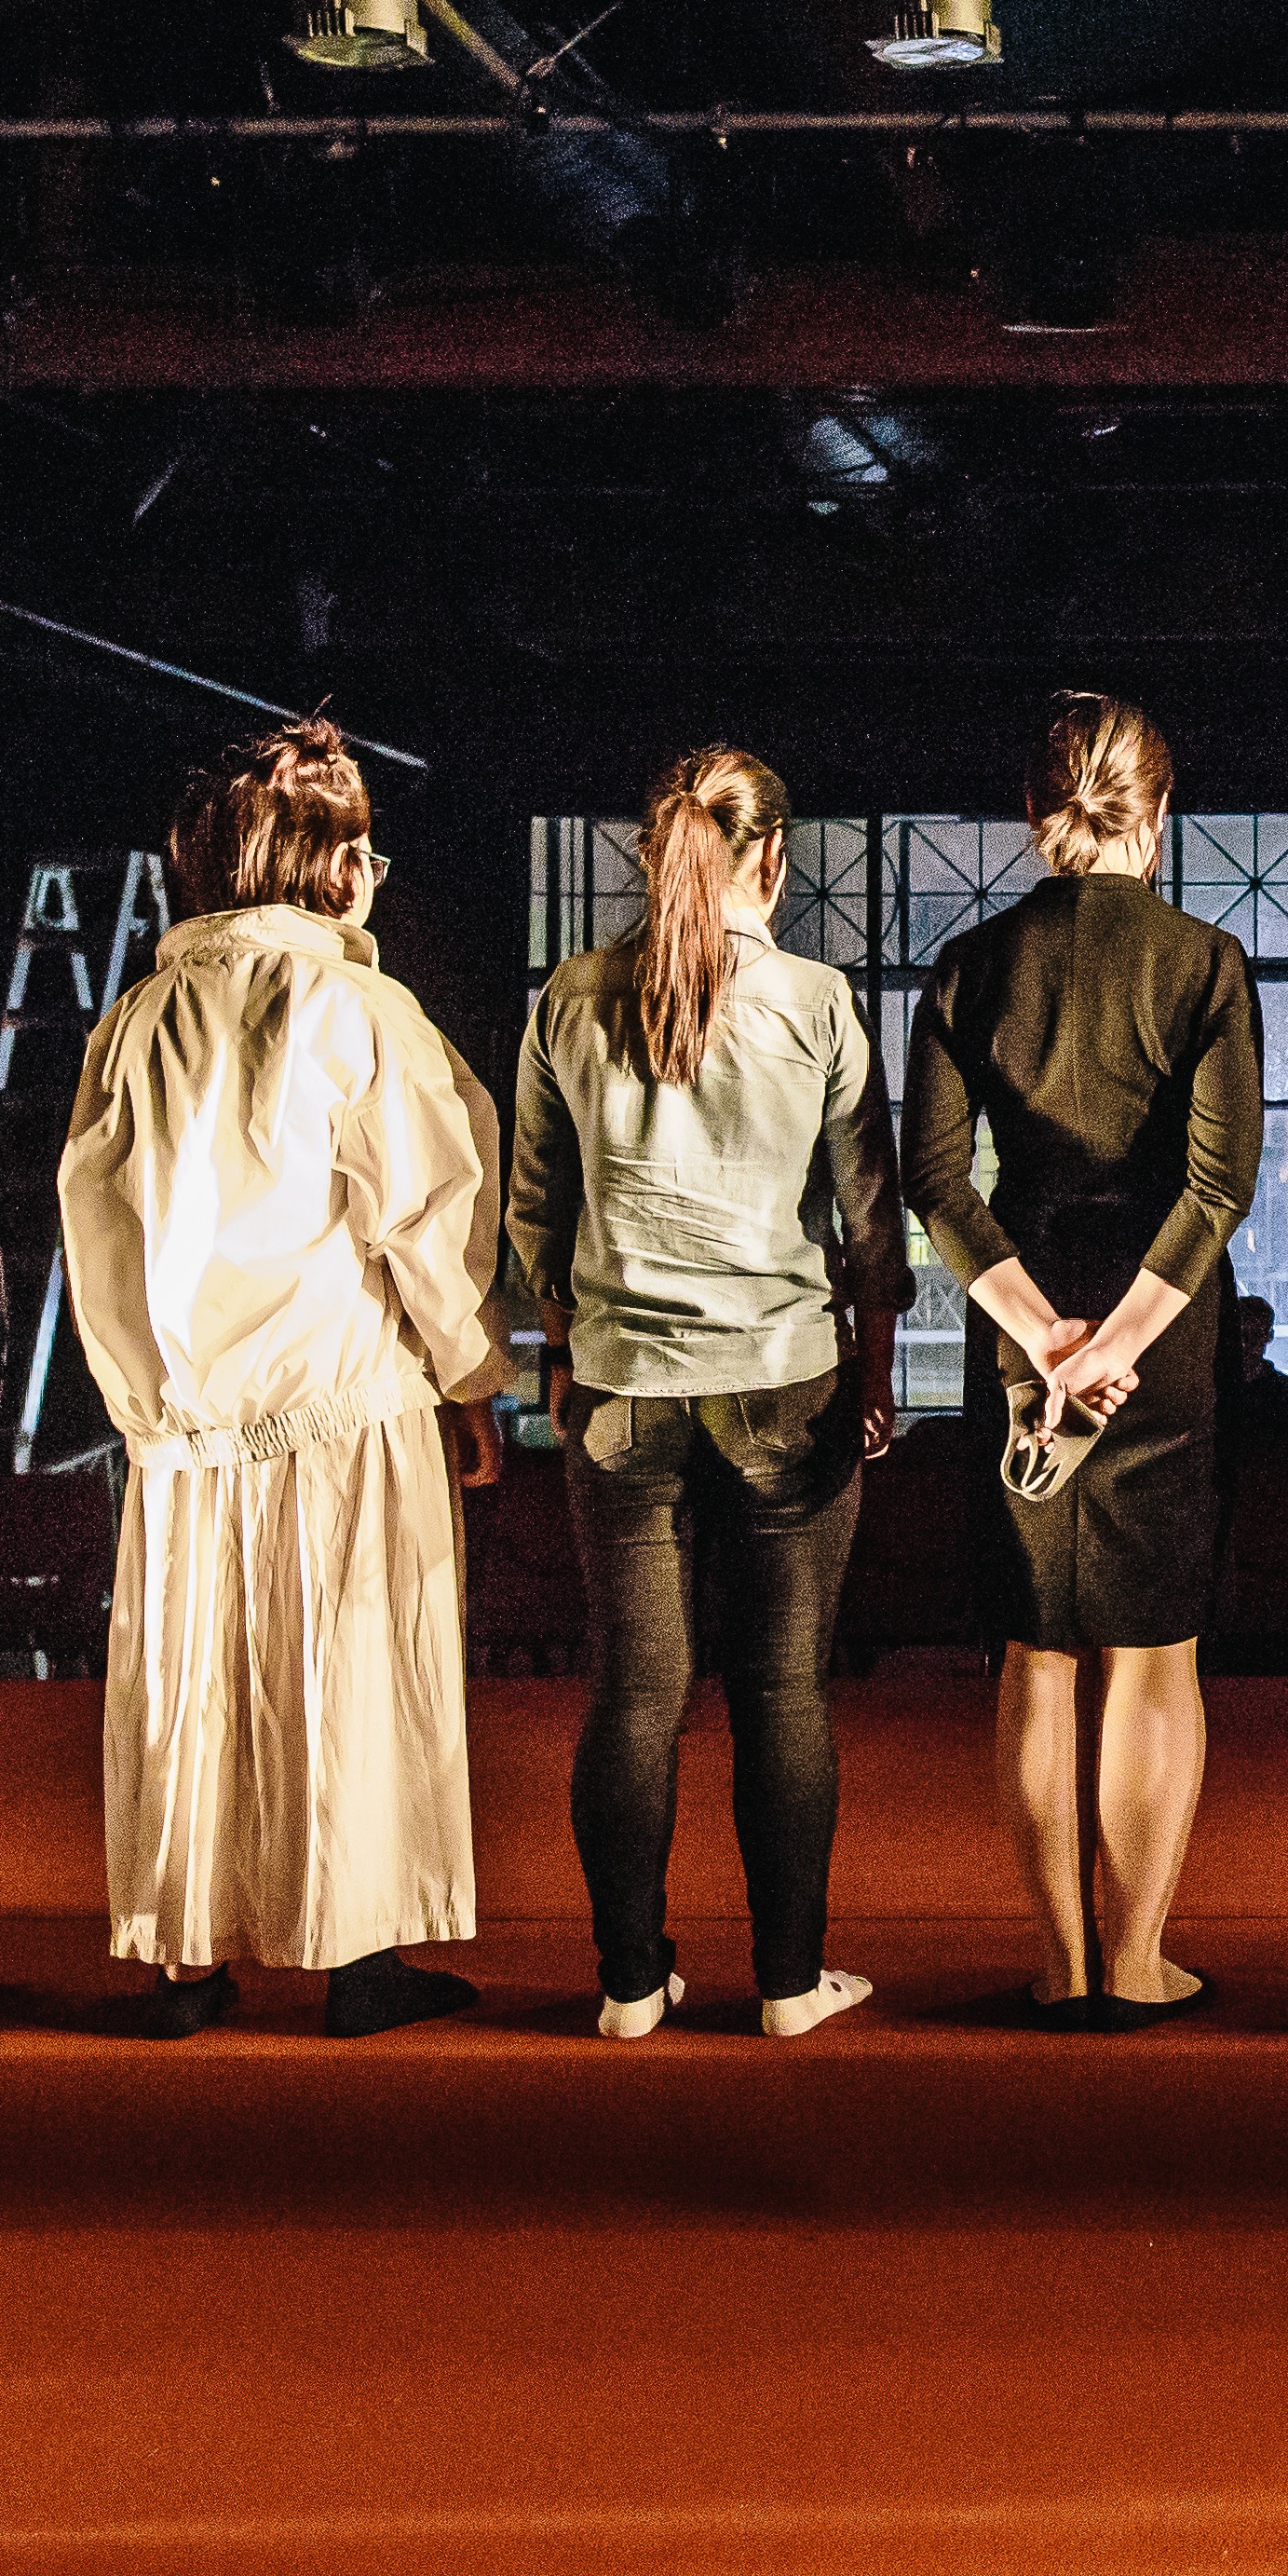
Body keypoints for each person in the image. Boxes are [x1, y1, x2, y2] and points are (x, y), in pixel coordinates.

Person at [59, 717, 509, 2040]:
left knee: (192, 1676)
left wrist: (142, 1394)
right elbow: (424, 1209)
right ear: (339, 863)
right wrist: (469, 1370)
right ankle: (353, 1949)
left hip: (187, 1416)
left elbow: (97, 1222)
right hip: (342, 1394)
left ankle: (183, 1956)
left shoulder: (137, 1017)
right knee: (349, 1660)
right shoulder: (352, 1007)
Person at [508, 743, 904, 2045]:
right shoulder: (814, 1001)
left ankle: (630, 1984)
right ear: (773, 861)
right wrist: (876, 1372)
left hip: (622, 1392)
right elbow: (868, 1220)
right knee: (783, 1692)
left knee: (633, 1689)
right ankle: (788, 1981)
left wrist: (569, 1343)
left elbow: (533, 1212)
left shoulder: (569, 998)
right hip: (785, 1380)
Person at [905, 692, 1261, 2028]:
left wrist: (1043, 1335)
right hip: (1158, 1343)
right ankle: (1137, 1958)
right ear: (1157, 816)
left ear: (1034, 814)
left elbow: (938, 1184)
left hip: (1020, 1340)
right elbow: (1218, 1187)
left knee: (1037, 1653)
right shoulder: (1206, 963)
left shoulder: (968, 966)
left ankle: (1057, 1960)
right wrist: (1112, 1342)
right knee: (1153, 1654)